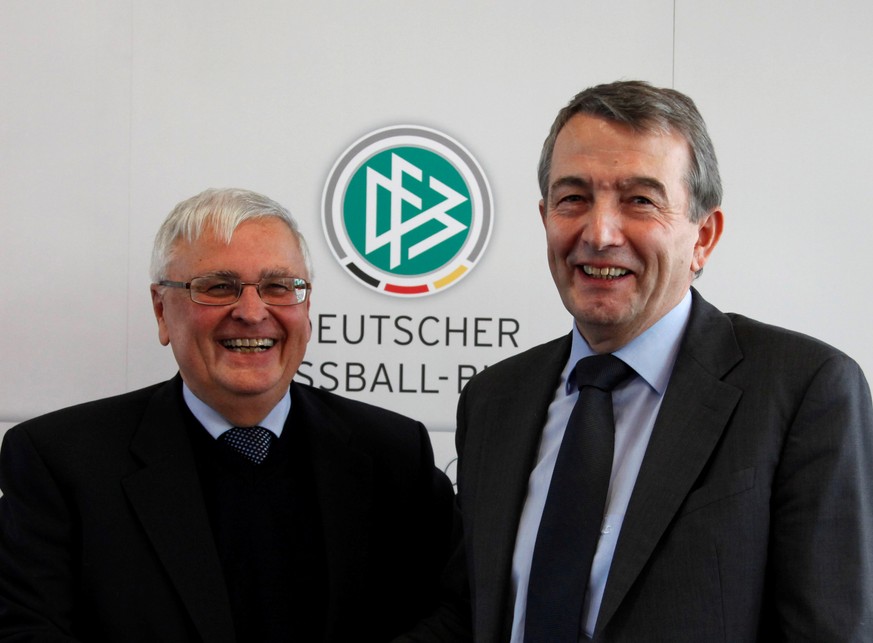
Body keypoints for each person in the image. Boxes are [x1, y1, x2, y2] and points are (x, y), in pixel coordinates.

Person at [453, 81, 873, 641]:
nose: (599, 233)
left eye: (640, 200)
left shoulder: (805, 390)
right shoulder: (492, 400)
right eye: (573, 197)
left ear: (704, 236)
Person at [0, 188, 462, 642]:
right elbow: (25, 628)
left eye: (279, 287)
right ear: (162, 311)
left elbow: (457, 610)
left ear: (306, 305)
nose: (252, 311)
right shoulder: (59, 462)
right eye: (218, 287)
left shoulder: (395, 454)